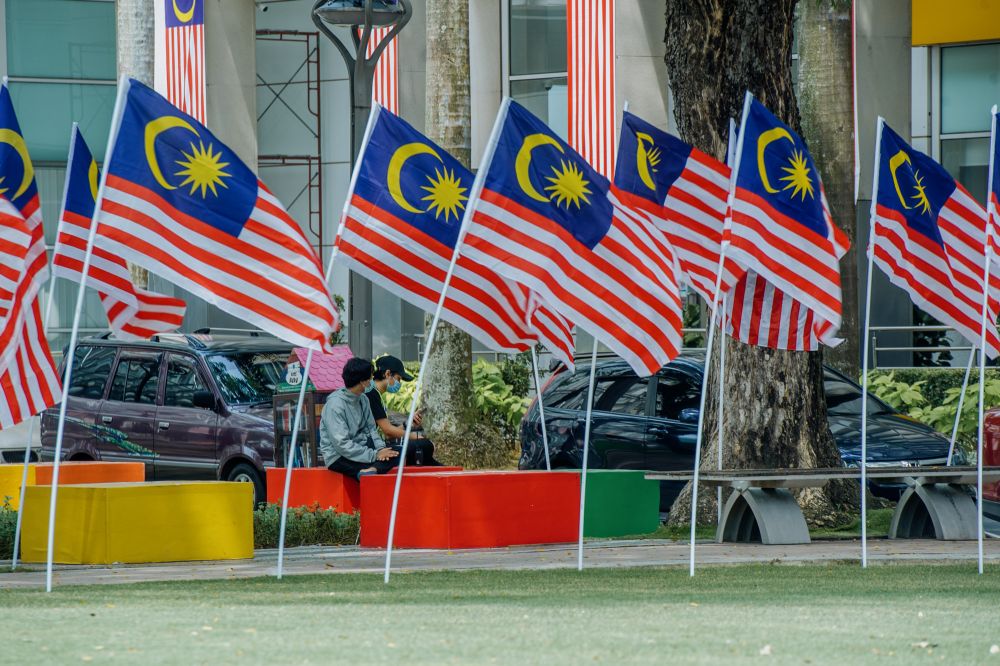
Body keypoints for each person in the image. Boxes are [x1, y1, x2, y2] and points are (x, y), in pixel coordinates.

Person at [319, 356, 399, 480]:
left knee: (398, 453)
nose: (372, 380)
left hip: (363, 449)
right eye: (370, 378)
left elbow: (372, 430)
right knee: (386, 459)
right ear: (362, 381)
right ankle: (369, 472)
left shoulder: (363, 399)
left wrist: (381, 449)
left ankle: (370, 470)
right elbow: (342, 444)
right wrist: (375, 455)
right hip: (339, 456)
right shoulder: (335, 405)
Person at [366, 355, 439, 465]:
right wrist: (414, 437)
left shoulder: (376, 394)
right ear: (387, 374)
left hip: (376, 444)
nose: (399, 383)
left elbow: (389, 434)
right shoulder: (372, 394)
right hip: (369, 448)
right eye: (398, 379)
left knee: (423, 448)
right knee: (424, 445)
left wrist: (408, 423)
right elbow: (388, 431)